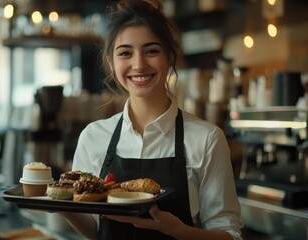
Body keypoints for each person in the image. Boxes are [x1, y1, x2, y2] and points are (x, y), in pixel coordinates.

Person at [59, 0, 242, 239]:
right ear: (111, 63)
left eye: (151, 51)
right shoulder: (93, 137)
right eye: (125, 53)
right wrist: (64, 209)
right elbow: (98, 232)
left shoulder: (207, 139)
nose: (139, 65)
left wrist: (179, 231)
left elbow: (230, 234)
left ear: (170, 57)